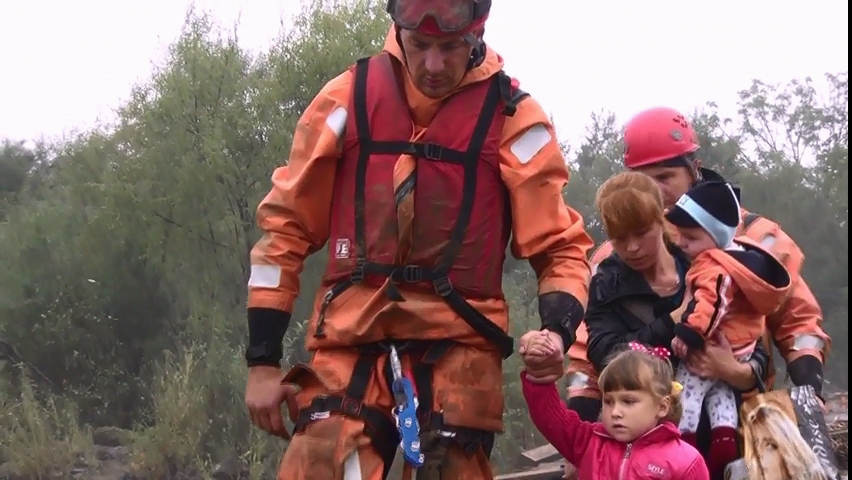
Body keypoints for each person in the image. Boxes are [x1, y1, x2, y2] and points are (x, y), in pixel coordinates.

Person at [242, 0, 593, 478]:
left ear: (476, 34)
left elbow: (561, 247)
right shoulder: (346, 97)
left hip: (460, 342)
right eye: (420, 45)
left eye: (449, 47)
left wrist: (557, 331)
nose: (432, 64)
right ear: (396, 28)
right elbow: (285, 227)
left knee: (449, 464)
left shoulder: (514, 118)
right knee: (321, 455)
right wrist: (262, 361)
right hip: (350, 335)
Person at [585, 106, 831, 398]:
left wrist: (807, 393)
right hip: (648, 421)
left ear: (694, 171)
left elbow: (799, 323)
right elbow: (587, 355)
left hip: (743, 408)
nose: (655, 192)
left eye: (665, 177)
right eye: (644, 181)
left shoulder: (753, 237)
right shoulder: (609, 260)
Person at [583, 172, 770, 478]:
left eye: (641, 232)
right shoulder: (607, 283)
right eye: (619, 238)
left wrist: (735, 371)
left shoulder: (705, 260)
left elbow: (752, 338)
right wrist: (675, 320)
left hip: (728, 435)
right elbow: (605, 355)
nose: (631, 247)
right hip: (648, 452)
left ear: (661, 220)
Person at [665, 180, 793, 477]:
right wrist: (737, 368)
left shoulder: (713, 265)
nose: (682, 243)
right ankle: (724, 440)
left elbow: (710, 305)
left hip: (709, 345)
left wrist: (688, 334)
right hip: (739, 348)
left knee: (687, 398)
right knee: (721, 397)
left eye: (690, 237)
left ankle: (686, 447)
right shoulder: (743, 259)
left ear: (715, 236)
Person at [521, 334, 710, 479]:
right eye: (608, 401)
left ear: (662, 406)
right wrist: (539, 375)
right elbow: (550, 417)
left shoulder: (685, 462)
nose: (615, 412)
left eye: (628, 401)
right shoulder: (588, 442)